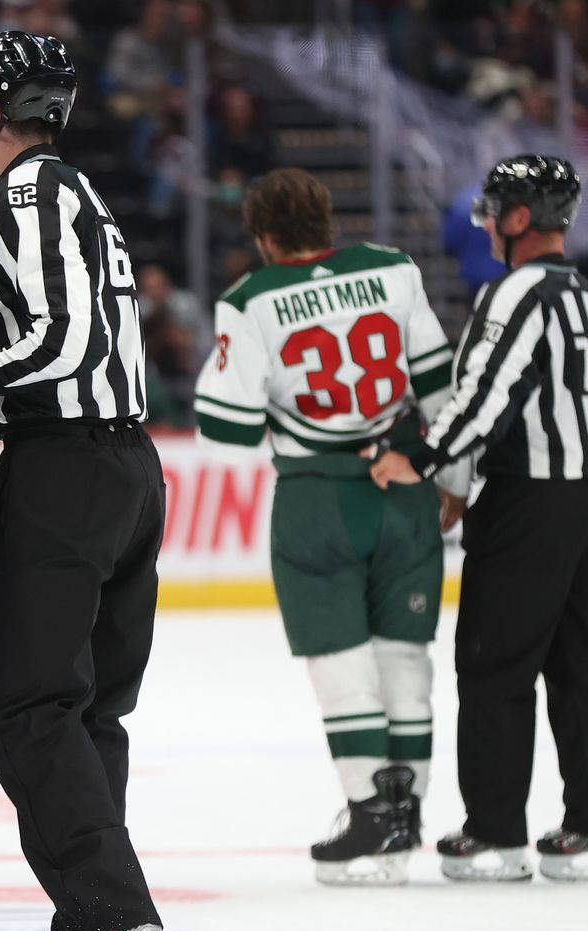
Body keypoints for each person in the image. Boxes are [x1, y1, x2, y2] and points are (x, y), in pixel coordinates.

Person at [0, 31, 172, 931]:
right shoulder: (79, 198)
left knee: (30, 708)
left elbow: (58, 337)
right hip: (126, 470)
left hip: (62, 470)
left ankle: (113, 923)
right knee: (86, 714)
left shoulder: (24, 197)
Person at [368, 155, 588, 885]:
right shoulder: (585, 295)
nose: (486, 222)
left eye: (494, 210)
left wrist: (420, 460)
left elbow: (485, 397)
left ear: (522, 218)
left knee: (494, 666)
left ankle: (494, 835)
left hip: (535, 505)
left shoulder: (514, 293)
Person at [193, 168, 465, 886]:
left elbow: (225, 431)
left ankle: (369, 815)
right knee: (407, 663)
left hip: (319, 498)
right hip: (406, 491)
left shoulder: (249, 300)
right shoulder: (394, 270)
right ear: (326, 223)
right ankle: (404, 823)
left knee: (344, 670)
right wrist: (455, 480)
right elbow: (441, 387)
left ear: (265, 237)